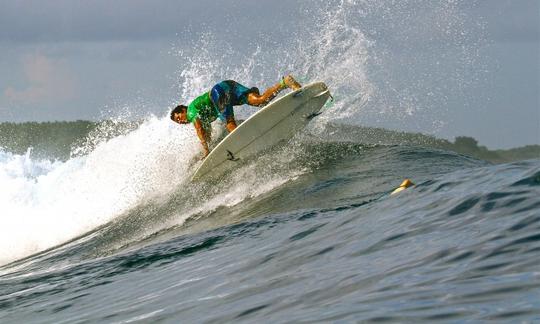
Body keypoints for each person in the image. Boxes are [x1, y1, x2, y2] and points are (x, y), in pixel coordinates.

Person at [170, 75, 302, 157]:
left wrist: (205, 151)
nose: (180, 121)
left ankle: (246, 140)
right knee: (261, 100)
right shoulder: (200, 114)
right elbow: (205, 132)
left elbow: (199, 129)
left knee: (229, 124)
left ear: (183, 109)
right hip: (227, 85)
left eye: (178, 117)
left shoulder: (191, 111)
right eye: (178, 122)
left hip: (217, 93)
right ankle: (285, 82)